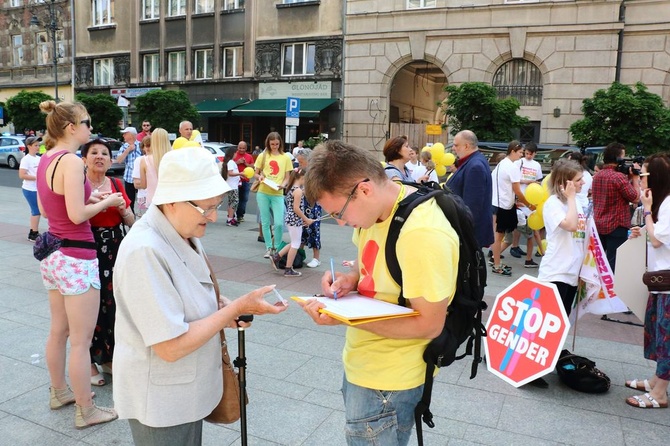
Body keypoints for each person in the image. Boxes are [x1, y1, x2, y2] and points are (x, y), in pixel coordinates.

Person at [112, 147, 287, 444]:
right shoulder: (144, 250)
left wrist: (226, 308)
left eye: (215, 206)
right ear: (172, 202)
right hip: (160, 399)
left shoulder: (182, 230)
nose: (214, 217)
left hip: (185, 388)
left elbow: (189, 294)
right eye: (206, 209)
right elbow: (170, 346)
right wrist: (232, 311)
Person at [299, 140, 458, 445]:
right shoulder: (377, 210)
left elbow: (430, 324)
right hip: (365, 364)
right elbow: (369, 264)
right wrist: (349, 279)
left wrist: (346, 319)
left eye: (339, 213)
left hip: (390, 380)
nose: (343, 223)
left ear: (365, 190)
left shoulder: (423, 233)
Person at [37, 100, 123, 428]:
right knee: (82, 341)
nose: (90, 128)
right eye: (86, 123)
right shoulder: (72, 162)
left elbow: (52, 210)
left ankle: (59, 391)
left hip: (54, 254)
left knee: (59, 330)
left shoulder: (48, 158)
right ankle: (86, 409)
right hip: (77, 256)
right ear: (71, 127)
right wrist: (110, 201)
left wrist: (93, 198)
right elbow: (75, 215)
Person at [82, 139, 135, 386]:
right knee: (90, 305)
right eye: (94, 153)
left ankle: (107, 357)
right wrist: (103, 202)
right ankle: (89, 361)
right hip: (88, 248)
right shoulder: (79, 186)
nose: (100, 157)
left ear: (111, 160)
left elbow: (131, 221)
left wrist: (123, 209)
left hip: (114, 247)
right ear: (84, 159)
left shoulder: (115, 183)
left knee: (113, 304)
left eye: (105, 153)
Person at [625, 153, 670, 410]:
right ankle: (656, 380)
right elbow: (654, 236)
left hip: (667, 285)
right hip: (660, 283)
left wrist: (647, 211)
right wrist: (642, 229)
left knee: (666, 337)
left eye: (642, 174)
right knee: (658, 334)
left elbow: (657, 240)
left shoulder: (667, 203)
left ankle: (661, 392)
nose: (639, 179)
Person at [537, 159, 586, 316]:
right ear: (566, 183)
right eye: (578, 180)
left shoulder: (576, 202)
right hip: (556, 272)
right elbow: (571, 225)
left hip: (572, 272)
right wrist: (571, 198)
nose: (583, 183)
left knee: (562, 323)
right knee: (549, 324)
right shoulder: (553, 203)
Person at [592, 142, 640, 272]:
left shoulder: (597, 176)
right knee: (614, 264)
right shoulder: (618, 177)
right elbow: (635, 197)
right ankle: (612, 291)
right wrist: (635, 179)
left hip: (599, 224)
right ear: (618, 159)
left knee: (600, 263)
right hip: (616, 225)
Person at [489, 140, 534, 276]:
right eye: (520, 152)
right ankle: (497, 264)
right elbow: (517, 190)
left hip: (498, 204)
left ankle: (496, 261)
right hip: (504, 206)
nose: (521, 156)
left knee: (502, 237)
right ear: (513, 151)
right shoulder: (512, 167)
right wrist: (529, 205)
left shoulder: (501, 164)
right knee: (499, 237)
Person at [445, 130, 494, 249]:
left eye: (456, 145)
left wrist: (463, 236)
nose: (453, 148)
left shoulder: (475, 166)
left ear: (466, 146)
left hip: (467, 236)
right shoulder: (472, 162)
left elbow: (472, 207)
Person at [254, 132, 293, 258]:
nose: (274, 146)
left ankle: (277, 246)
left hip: (278, 193)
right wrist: (259, 177)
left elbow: (288, 177)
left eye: (277, 144)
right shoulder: (262, 155)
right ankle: (269, 247)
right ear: (268, 143)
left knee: (279, 222)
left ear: (280, 143)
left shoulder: (285, 157)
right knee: (265, 222)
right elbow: (256, 173)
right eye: (272, 144)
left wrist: (284, 184)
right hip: (263, 192)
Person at [270, 168, 313, 277]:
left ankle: (277, 257)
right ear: (302, 178)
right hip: (295, 219)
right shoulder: (297, 190)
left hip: (291, 219)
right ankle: (288, 268)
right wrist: (306, 219)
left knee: (294, 242)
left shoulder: (292, 188)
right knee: (295, 244)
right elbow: (296, 208)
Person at [509, 142, 543, 268]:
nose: (528, 156)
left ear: (535, 154)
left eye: (530, 154)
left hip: (531, 199)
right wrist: (526, 181)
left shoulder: (537, 165)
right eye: (526, 153)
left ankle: (511, 248)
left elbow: (539, 180)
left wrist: (534, 184)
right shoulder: (519, 162)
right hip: (519, 197)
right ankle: (515, 247)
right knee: (518, 226)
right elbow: (514, 179)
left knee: (527, 227)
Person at [296, 148, 322, 268]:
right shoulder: (301, 172)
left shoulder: (315, 173)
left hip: (313, 205)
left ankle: (316, 258)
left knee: (314, 230)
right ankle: (299, 254)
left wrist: (305, 191)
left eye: (301, 162)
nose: (299, 164)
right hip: (303, 204)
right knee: (302, 230)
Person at [140, 128, 171, 209]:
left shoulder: (144, 160)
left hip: (153, 201)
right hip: (171, 201)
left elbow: (143, 185)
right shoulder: (173, 158)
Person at [19, 136, 42, 241]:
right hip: (30, 189)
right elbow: (22, 175)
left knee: (39, 211)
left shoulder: (39, 158)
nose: (38, 147)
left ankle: (34, 232)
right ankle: (33, 234)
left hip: (38, 189)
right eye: (35, 145)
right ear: (29, 146)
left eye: (38, 145)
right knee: (36, 211)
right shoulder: (26, 159)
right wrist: (37, 178)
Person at [114, 126, 142, 213]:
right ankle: (132, 218)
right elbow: (119, 160)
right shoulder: (124, 146)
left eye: (125, 134)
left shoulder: (141, 145)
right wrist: (128, 150)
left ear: (131, 135)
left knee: (143, 200)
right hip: (129, 177)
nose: (123, 136)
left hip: (142, 177)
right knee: (130, 200)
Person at [233, 140, 254, 222]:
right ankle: (232, 215)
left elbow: (253, 166)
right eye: (240, 148)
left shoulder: (249, 156)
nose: (241, 150)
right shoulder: (234, 155)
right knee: (235, 198)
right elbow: (228, 164)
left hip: (245, 180)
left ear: (246, 148)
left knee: (244, 198)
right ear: (237, 147)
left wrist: (246, 164)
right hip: (235, 180)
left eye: (243, 148)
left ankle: (240, 215)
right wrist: (237, 162)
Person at [222, 145, 241, 227]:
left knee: (232, 202)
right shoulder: (231, 162)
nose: (237, 154)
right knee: (234, 202)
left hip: (233, 185)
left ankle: (231, 217)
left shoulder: (231, 162)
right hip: (232, 186)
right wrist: (240, 173)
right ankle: (230, 219)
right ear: (233, 153)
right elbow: (230, 173)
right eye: (236, 153)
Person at [132, 136, 150, 218]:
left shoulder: (159, 159)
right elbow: (137, 184)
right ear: (143, 148)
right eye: (147, 145)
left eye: (151, 145)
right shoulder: (139, 160)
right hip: (144, 199)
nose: (149, 148)